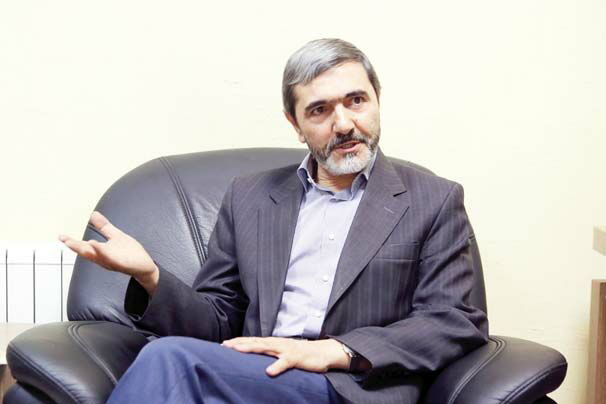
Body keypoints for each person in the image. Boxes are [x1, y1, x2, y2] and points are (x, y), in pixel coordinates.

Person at [59, 38, 489, 404]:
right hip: (254, 374)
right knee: (172, 361)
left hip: (348, 385)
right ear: (296, 124)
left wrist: (335, 350)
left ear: (376, 100)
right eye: (319, 110)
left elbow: (453, 320)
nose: (343, 123)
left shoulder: (432, 199)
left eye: (356, 101)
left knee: (169, 360)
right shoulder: (250, 197)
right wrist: (151, 277)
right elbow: (218, 320)